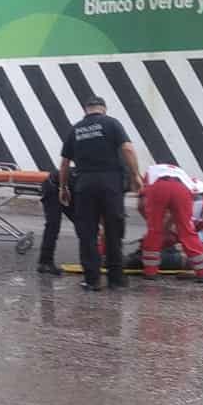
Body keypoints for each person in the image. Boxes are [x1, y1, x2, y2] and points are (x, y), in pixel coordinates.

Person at [58, 96, 141, 290]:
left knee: (87, 232)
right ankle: (116, 279)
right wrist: (136, 175)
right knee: (113, 230)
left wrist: (64, 187)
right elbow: (127, 149)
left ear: (86, 109)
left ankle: (92, 279)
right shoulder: (112, 123)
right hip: (110, 183)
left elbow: (64, 164)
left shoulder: (75, 128)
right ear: (103, 109)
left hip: (84, 184)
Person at [138, 162, 203, 283]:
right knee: (187, 231)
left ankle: (150, 271)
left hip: (159, 188)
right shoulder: (181, 173)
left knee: (154, 230)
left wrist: (151, 221)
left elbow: (141, 204)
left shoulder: (150, 172)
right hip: (182, 190)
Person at [35, 169, 73, 275]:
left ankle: (95, 261)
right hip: (53, 186)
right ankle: (45, 262)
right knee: (53, 225)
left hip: (67, 187)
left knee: (84, 226)